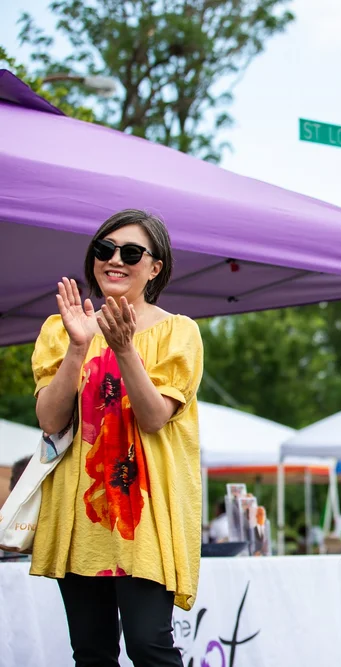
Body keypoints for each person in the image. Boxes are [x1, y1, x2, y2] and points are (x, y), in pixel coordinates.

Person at [31, 209, 203, 667]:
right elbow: (50, 420)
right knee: (91, 652)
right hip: (80, 513)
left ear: (155, 267)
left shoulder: (178, 332)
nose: (115, 260)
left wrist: (124, 348)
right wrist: (77, 346)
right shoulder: (61, 328)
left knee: (150, 647)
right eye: (105, 250)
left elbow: (152, 418)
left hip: (145, 518)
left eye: (131, 252)